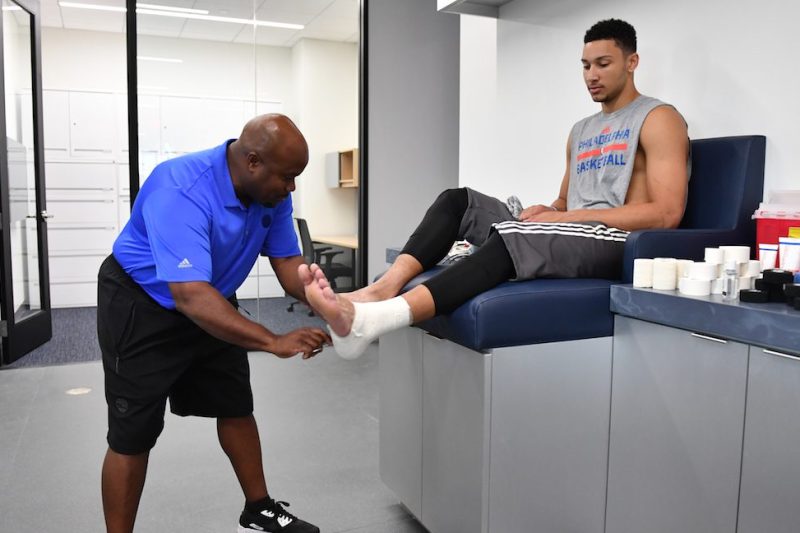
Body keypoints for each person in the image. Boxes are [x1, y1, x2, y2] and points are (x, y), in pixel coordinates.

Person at [300, 18, 691, 360]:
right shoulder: (581, 130)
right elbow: (564, 201)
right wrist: (548, 209)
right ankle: (379, 290)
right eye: (586, 65)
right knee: (459, 201)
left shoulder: (658, 118)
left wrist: (563, 216)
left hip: (613, 241)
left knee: (514, 234)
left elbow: (666, 213)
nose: (591, 75)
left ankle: (374, 321)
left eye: (603, 64)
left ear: (632, 62)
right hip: (571, 230)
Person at [97, 113, 329, 533]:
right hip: (143, 302)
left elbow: (286, 261)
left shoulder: (270, 193)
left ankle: (258, 508)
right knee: (133, 432)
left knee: (235, 403)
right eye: (288, 177)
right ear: (253, 161)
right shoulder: (180, 188)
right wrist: (273, 340)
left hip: (212, 295)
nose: (291, 187)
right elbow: (189, 295)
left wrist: (324, 299)